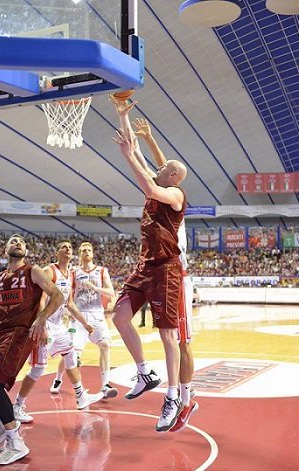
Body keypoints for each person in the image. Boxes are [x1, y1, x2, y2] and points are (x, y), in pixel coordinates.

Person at [111, 96, 188, 432]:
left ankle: (172, 396)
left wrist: (130, 157)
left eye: (162, 168)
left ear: (172, 175)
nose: (156, 167)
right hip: (145, 265)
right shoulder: (160, 182)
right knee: (119, 315)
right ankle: (145, 371)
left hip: (167, 269)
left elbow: (145, 177)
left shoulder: (175, 195)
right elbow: (136, 153)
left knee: (168, 334)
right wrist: (122, 114)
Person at [0, 234, 64, 466]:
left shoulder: (33, 271)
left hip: (20, 334)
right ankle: (2, 421)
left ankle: (15, 442)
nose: (18, 243)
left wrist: (41, 319)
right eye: (13, 240)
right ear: (6, 248)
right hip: (1, 334)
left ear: (25, 251)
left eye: (21, 242)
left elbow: (58, 296)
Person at [133, 117, 198, 432]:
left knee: (183, 342)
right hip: (164, 272)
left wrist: (137, 148)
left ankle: (185, 400)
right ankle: (182, 396)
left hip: (177, 275)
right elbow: (165, 168)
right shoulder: (169, 189)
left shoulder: (174, 198)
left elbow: (163, 174)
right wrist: (148, 138)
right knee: (178, 340)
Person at [13, 240, 103, 424]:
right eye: (64, 247)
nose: (68, 249)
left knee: (71, 356)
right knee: (38, 368)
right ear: (57, 252)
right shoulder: (49, 271)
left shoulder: (70, 275)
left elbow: (69, 304)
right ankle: (17, 406)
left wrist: (85, 323)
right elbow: (41, 298)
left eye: (70, 247)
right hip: (44, 325)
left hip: (59, 326)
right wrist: (41, 324)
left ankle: (80, 396)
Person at [51, 241, 118, 399]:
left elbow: (111, 292)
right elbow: (67, 293)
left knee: (105, 345)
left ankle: (105, 385)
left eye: (89, 250)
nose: (86, 252)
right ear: (80, 254)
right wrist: (66, 311)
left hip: (96, 315)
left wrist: (96, 288)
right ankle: (58, 378)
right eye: (83, 251)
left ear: (93, 254)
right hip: (79, 316)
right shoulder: (73, 272)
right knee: (70, 351)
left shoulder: (102, 271)